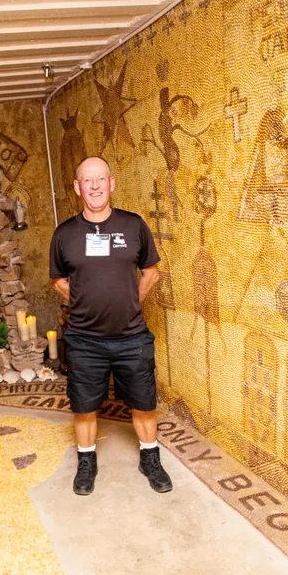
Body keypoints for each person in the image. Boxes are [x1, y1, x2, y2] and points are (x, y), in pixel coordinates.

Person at [49, 156, 172, 495]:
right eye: (87, 181)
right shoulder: (65, 234)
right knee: (85, 407)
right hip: (84, 340)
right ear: (77, 187)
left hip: (132, 337)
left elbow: (152, 272)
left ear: (112, 183)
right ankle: (86, 461)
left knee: (144, 403)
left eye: (100, 179)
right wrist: (84, 302)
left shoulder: (134, 226)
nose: (95, 186)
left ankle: (150, 458)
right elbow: (57, 278)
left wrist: (130, 300)